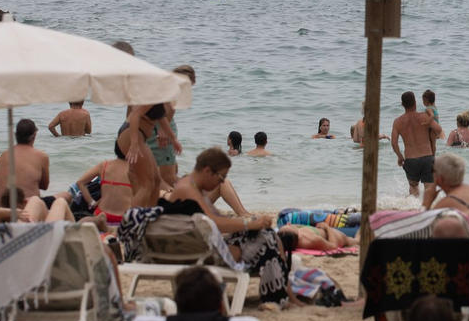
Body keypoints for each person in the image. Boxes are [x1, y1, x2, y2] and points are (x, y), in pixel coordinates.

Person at [165, 148, 299, 308]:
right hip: (199, 252)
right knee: (267, 239)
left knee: (268, 236)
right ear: (207, 171)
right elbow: (214, 222)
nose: (222, 183)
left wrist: (250, 223)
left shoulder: (193, 186)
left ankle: (284, 296)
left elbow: (216, 218)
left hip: (202, 245)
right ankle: (281, 298)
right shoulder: (187, 189)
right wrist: (249, 224)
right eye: (221, 177)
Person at [116, 103, 179, 208]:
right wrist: (134, 143)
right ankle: (131, 219)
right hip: (134, 135)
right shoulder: (152, 97)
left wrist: (173, 138)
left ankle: (149, 213)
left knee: (156, 181)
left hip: (139, 136)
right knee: (146, 185)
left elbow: (161, 117)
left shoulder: (162, 96)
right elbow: (135, 116)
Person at [424, 153, 469, 244]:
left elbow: (424, 227)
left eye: (433, 170)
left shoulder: (448, 202)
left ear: (439, 178)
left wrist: (426, 203)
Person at [0, 192, 76, 249]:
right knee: (60, 201)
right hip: (40, 244)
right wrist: (13, 212)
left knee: (37, 200)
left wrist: (10, 214)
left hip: (26, 238)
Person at [391, 91, 442, 198]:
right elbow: (438, 129)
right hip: (427, 158)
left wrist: (400, 157)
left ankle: (414, 207)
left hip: (410, 160)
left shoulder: (397, 122)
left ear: (402, 104)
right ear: (415, 102)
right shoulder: (424, 117)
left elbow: (394, 143)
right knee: (429, 189)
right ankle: (428, 210)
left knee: (413, 188)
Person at [72, 147, 134, 228]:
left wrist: (92, 203)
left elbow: (80, 183)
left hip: (102, 213)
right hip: (124, 217)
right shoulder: (136, 169)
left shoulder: (105, 165)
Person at [0, 119, 50, 203]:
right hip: (28, 206)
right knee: (65, 195)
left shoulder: (5, 154)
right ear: (34, 136)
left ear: (15, 135)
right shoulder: (41, 156)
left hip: (4, 205)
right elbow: (44, 186)